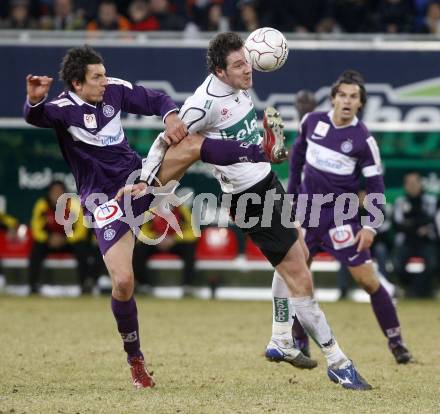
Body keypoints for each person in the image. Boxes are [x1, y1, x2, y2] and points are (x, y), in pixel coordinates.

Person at [24, 45, 283, 389]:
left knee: (190, 144)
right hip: (105, 202)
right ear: (76, 83)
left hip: (140, 181)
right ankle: (136, 361)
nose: (104, 81)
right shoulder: (61, 109)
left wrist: (172, 117)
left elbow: (156, 99)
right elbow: (34, 116)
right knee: (123, 284)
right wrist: (34, 100)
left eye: (104, 73)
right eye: (96, 77)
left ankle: (260, 150)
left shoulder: (113, 90)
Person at [141, 32, 372, 390]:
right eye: (238, 65)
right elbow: (168, 143)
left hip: (266, 184)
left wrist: (266, 147)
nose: (247, 69)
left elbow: (246, 137)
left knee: (301, 253)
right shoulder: (203, 103)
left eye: (247, 61)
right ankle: (337, 360)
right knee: (300, 277)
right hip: (249, 199)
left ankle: (281, 338)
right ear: (220, 71)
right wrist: (146, 181)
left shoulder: (241, 84)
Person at [270, 69, 412, 366]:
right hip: (307, 214)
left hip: (341, 218)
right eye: (343, 95)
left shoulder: (364, 140)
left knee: (368, 281)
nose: (347, 101)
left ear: (361, 104)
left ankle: (396, 342)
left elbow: (375, 187)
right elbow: (296, 166)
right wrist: (291, 204)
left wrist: (371, 225)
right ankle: (299, 342)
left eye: (354, 97)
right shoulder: (312, 122)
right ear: (333, 98)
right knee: (297, 277)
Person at [27, 180, 92, 294]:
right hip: (49, 240)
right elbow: (36, 228)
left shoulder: (74, 203)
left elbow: (82, 229)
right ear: (49, 193)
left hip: (68, 240)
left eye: (59, 192)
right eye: (54, 192)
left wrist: (65, 239)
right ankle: (33, 285)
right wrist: (48, 238)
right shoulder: (42, 204)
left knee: (82, 248)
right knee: (36, 249)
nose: (56, 195)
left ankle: (85, 284)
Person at [133, 203, 197, 295]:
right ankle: (143, 285)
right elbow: (141, 232)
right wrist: (156, 238)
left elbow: (193, 231)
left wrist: (174, 239)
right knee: (139, 249)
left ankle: (187, 285)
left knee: (189, 248)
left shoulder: (182, 209)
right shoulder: (150, 210)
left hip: (175, 242)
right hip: (155, 242)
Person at [392, 171, 438, 298]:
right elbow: (398, 225)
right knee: (397, 266)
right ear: (405, 185)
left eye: (415, 182)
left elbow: (432, 219)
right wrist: (418, 226)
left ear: (420, 184)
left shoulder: (431, 201)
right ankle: (415, 289)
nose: (412, 186)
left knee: (434, 264)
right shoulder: (400, 202)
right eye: (409, 183)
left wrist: (410, 223)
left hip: (426, 241)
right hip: (406, 241)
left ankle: (417, 290)